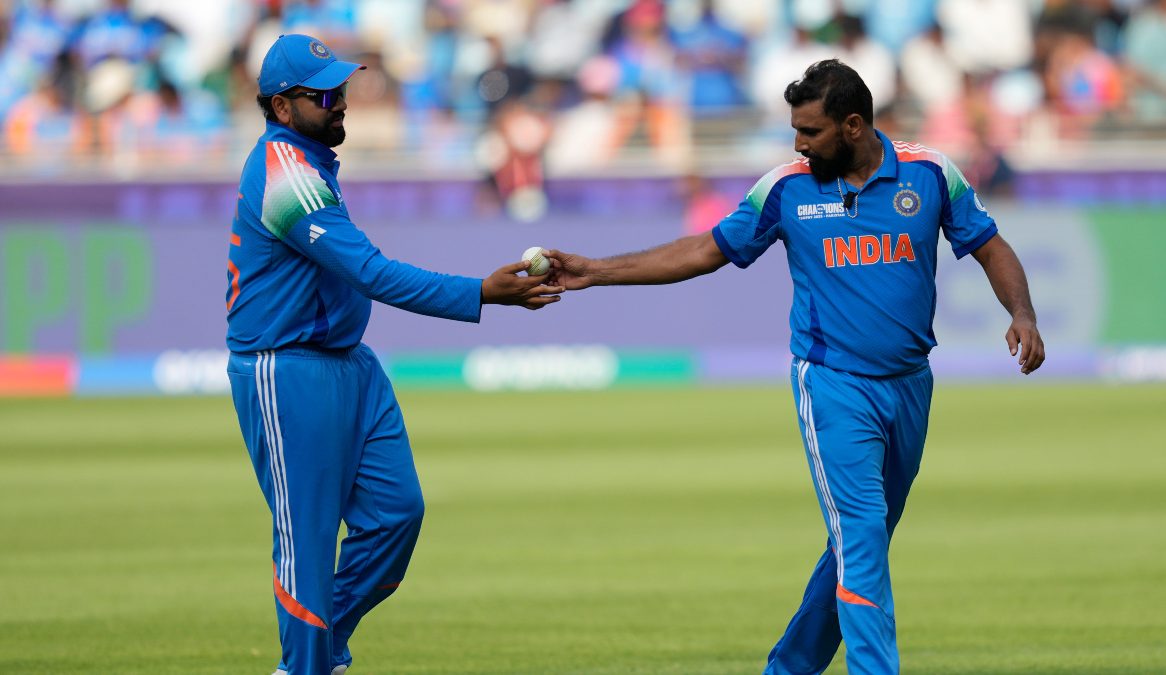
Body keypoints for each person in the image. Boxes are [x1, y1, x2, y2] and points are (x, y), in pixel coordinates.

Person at [544, 59, 1044, 674]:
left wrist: (1022, 312)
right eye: (796, 131)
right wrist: (595, 271)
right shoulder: (786, 188)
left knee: (859, 543)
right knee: (860, 537)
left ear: (853, 126)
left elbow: (989, 245)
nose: (798, 143)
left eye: (810, 131)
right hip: (832, 384)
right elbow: (705, 249)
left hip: (911, 385)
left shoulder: (932, 174)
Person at [224, 34, 562, 675]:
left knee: (396, 516)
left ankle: (323, 647)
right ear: (281, 106)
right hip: (285, 366)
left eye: (342, 89)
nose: (341, 103)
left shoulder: (311, 159)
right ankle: (306, 666)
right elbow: (370, 272)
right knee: (308, 544)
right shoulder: (283, 173)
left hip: (350, 363)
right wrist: (481, 294)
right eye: (324, 94)